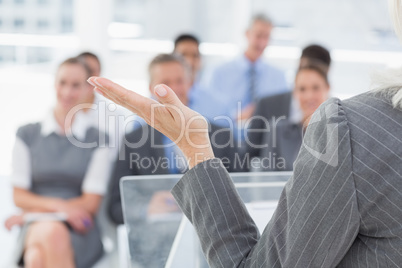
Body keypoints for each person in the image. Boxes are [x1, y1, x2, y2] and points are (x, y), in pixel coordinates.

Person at [88, 0, 402, 263]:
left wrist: (194, 147)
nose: (171, 89)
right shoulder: (135, 139)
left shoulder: (346, 129)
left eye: (178, 80)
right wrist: (146, 207)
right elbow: (115, 207)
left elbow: (244, 188)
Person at [6, 58, 112, 268]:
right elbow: (19, 196)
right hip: (36, 223)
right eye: (62, 83)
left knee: (36, 257)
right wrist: (58, 208)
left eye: (76, 85)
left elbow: (90, 203)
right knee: (49, 234)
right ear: (54, 84)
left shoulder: (99, 139)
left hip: (79, 227)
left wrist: (31, 213)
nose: (67, 92)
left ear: (88, 90)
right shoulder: (27, 134)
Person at [198, 14, 288, 128]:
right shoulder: (219, 73)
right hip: (227, 139)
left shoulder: (279, 77)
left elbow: (284, 116)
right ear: (247, 34)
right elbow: (209, 112)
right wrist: (237, 117)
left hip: (268, 141)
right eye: (258, 35)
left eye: (266, 37)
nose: (262, 43)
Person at [247, 44, 332, 159]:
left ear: (327, 87)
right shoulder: (277, 128)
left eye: (316, 87)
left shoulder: (340, 128)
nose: (309, 96)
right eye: (302, 89)